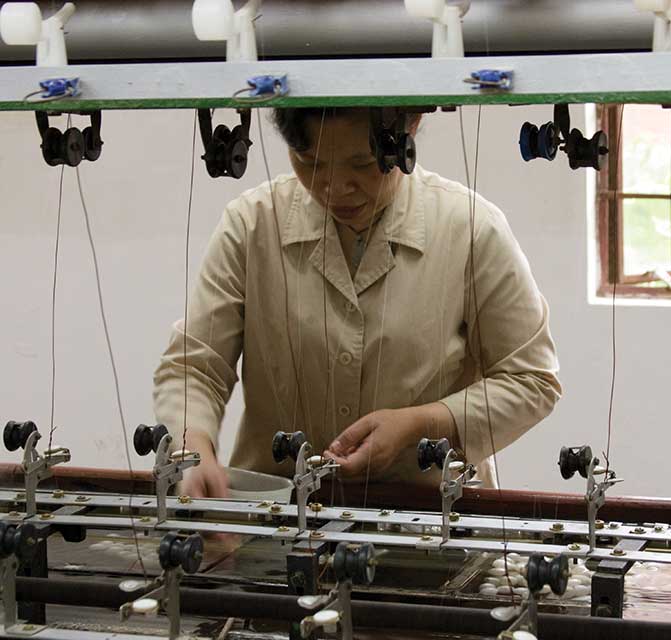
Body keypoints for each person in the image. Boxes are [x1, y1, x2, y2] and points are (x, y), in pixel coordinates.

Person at [153, 107, 561, 498]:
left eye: (361, 165)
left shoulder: (470, 229)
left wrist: (421, 423)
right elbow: (194, 368)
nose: (333, 187)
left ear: (410, 130)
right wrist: (193, 452)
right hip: (277, 518)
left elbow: (531, 380)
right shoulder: (253, 225)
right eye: (307, 159)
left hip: (427, 521)